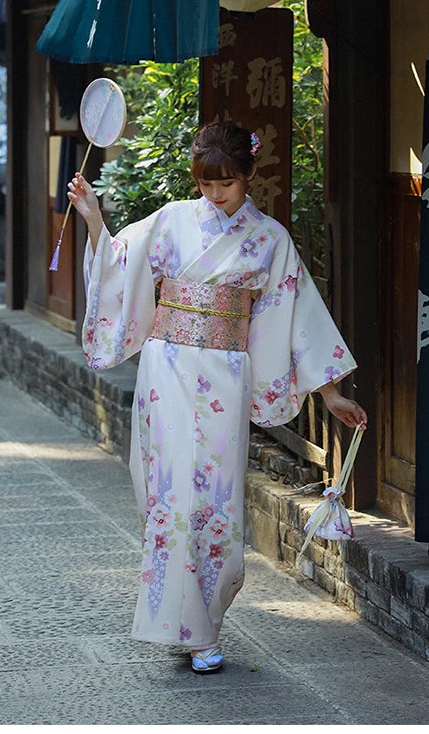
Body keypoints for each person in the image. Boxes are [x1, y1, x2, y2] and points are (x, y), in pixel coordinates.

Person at [68, 121, 367, 673]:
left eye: (226, 183)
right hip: (166, 368)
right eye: (206, 184)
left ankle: (203, 622)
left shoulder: (271, 239)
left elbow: (295, 317)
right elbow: (119, 263)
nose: (215, 194)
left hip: (226, 375)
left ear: (250, 173)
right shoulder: (171, 222)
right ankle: (184, 622)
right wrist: (93, 218)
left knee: (216, 498)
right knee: (166, 489)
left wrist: (331, 393)